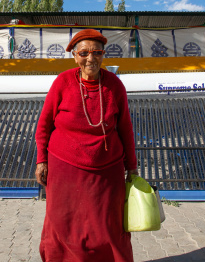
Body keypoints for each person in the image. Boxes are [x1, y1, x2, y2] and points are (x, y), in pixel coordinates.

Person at [35, 29, 138, 262]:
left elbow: (125, 129)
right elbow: (44, 125)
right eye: (84, 53)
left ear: (103, 55)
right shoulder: (62, 82)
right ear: (74, 56)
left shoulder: (114, 86)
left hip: (107, 170)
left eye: (97, 52)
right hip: (65, 167)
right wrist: (41, 160)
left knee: (108, 226)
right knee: (63, 223)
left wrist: (132, 167)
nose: (90, 58)